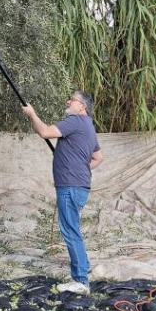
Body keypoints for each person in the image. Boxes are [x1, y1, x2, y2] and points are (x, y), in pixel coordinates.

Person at [21, 91, 103, 295]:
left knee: (70, 231)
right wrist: (79, 168)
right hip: (78, 186)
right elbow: (98, 157)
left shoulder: (75, 121)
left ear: (82, 106)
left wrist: (32, 114)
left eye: (72, 99)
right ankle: (83, 270)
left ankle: (81, 281)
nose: (68, 101)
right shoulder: (88, 126)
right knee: (73, 229)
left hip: (70, 187)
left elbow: (45, 132)